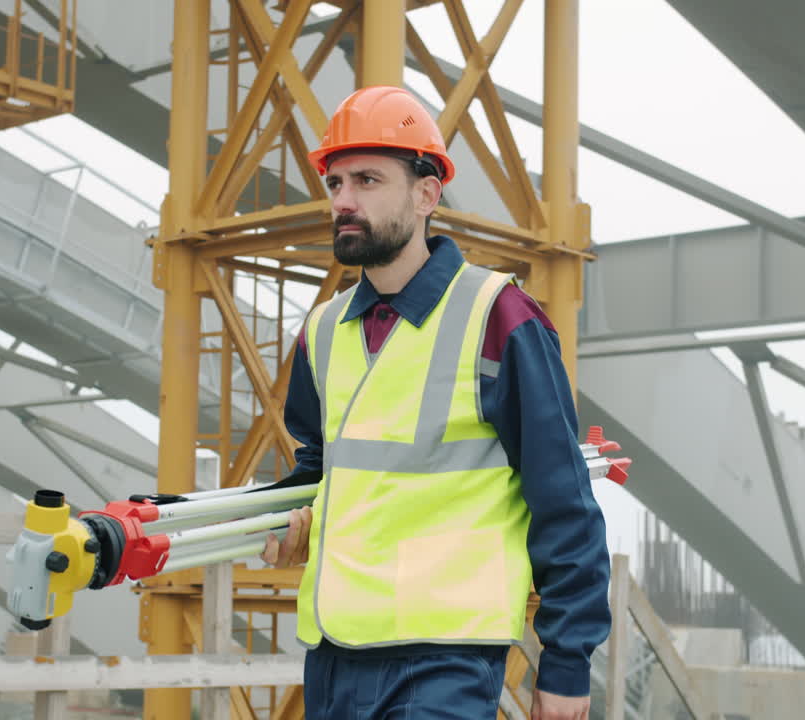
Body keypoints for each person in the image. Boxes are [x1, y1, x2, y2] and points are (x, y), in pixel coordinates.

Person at [261, 85, 610, 720]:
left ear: (427, 194)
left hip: (444, 660)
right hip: (335, 652)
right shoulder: (321, 331)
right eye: (335, 182)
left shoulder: (499, 318)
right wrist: (294, 519)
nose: (343, 200)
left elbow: (564, 503)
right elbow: (324, 469)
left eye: (367, 180)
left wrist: (566, 663)